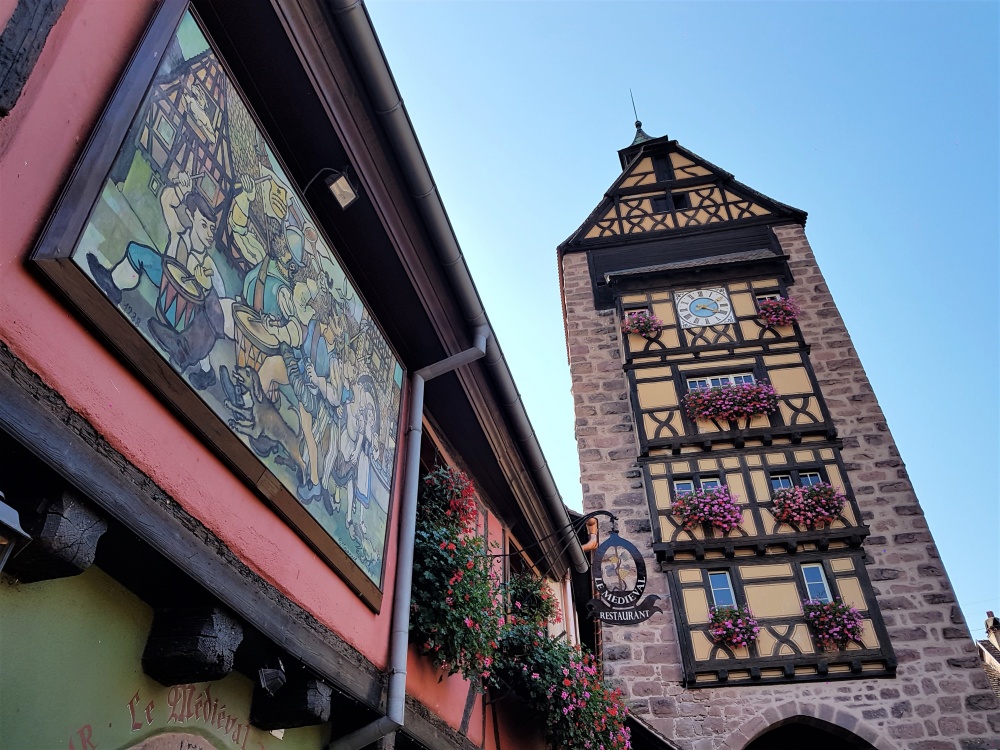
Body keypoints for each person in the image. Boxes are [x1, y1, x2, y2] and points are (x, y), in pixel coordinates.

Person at [87, 173, 226, 389]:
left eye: (212, 229)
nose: (209, 233)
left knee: (206, 321)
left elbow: (218, 304)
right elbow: (166, 201)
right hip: (166, 288)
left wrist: (206, 284)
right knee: (138, 252)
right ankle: (113, 283)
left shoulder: (209, 266)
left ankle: (202, 369)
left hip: (185, 319)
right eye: (204, 225)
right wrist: (181, 190)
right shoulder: (179, 233)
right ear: (191, 217)